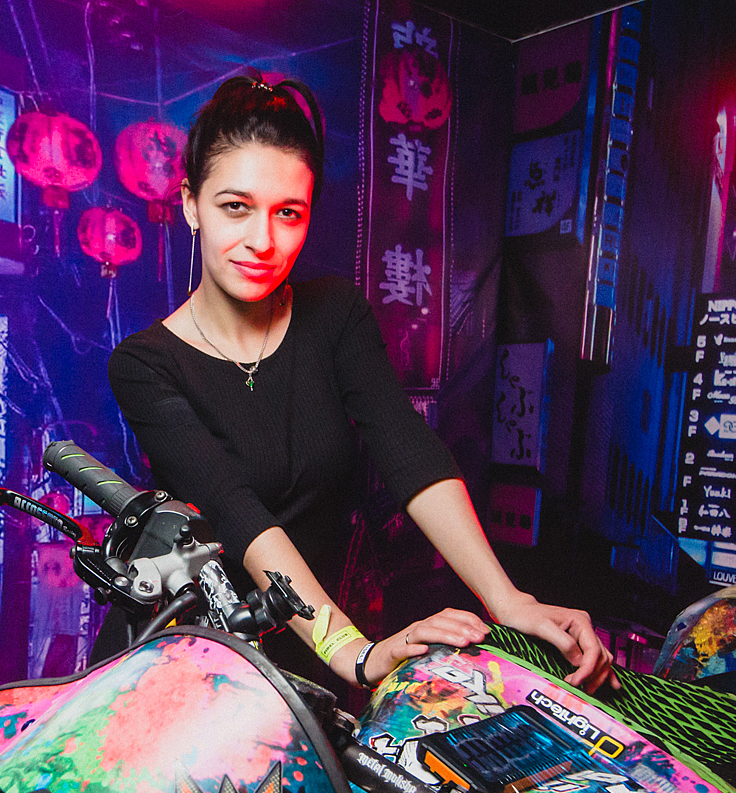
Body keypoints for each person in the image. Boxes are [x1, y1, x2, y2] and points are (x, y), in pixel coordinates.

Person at [107, 74, 616, 694]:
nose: (262, 241)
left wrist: (507, 599)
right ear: (191, 203)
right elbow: (235, 513)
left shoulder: (334, 314)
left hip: (311, 651)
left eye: (288, 213)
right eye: (235, 207)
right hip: (192, 660)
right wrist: (351, 651)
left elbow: (408, 450)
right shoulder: (145, 363)